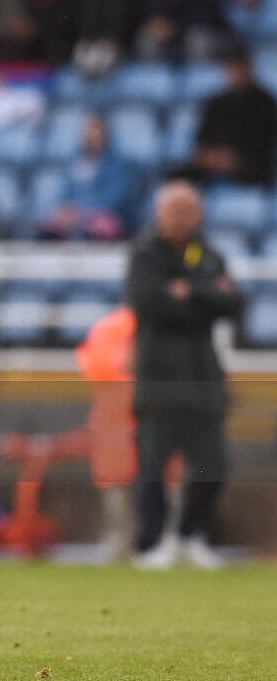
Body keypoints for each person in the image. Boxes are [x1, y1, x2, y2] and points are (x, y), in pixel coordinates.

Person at [125, 180, 243, 569]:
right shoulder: (145, 253)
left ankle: (192, 536)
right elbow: (150, 303)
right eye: (175, 211)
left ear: (199, 215)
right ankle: (154, 543)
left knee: (213, 466)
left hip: (203, 379)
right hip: (158, 380)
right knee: (153, 467)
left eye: (188, 211)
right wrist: (204, 295)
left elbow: (233, 303)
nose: (181, 219)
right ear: (160, 214)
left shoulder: (208, 254)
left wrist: (188, 291)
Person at [38, 114, 134, 241]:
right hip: (74, 216)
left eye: (96, 136)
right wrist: (67, 209)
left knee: (104, 225)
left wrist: (83, 212)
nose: (91, 139)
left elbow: (115, 197)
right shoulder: (74, 162)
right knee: (49, 224)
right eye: (88, 135)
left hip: (100, 215)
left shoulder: (117, 165)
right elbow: (65, 192)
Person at [192, 48, 277, 187]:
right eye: (231, 69)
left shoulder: (265, 102)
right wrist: (211, 156)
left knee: (253, 171)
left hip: (249, 162)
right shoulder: (215, 102)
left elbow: (266, 140)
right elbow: (202, 136)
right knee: (179, 175)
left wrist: (234, 158)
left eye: (239, 68)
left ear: (249, 69)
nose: (235, 74)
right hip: (215, 159)